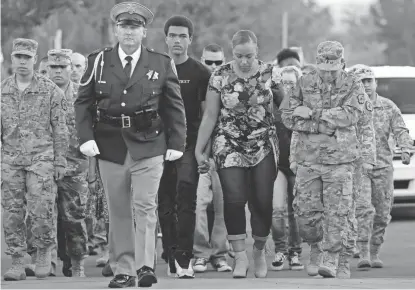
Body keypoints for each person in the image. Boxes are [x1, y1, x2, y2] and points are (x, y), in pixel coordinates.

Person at [74, 2, 186, 288]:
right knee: (119, 209)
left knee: (146, 205)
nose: (129, 32)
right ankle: (124, 269)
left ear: (144, 32)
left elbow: (174, 106)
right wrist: (85, 137)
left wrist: (177, 142)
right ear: (116, 29)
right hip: (110, 144)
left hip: (149, 143)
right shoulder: (98, 60)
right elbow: (84, 102)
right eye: (123, 26)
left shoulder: (160, 62)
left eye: (134, 27)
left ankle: (145, 266)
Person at [195, 30, 280, 279]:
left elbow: (286, 107)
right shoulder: (220, 76)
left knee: (263, 201)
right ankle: (240, 256)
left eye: (249, 56)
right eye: (239, 56)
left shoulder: (269, 73)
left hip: (263, 142)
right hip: (228, 142)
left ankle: (259, 250)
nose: (244, 61)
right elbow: (210, 115)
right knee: (234, 199)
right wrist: (200, 149)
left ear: (257, 51)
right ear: (232, 52)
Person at [281, 40, 367, 278]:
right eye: (324, 69)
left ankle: (333, 257)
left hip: (341, 160)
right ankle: (316, 246)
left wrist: (312, 114)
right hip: (308, 159)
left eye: (333, 70)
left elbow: (350, 116)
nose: (328, 75)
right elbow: (287, 115)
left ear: (342, 64)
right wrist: (322, 124)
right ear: (317, 64)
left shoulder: (353, 85)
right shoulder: (304, 81)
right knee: (305, 214)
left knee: (337, 212)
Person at [1, 38, 69, 281]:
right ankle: (17, 261)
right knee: (12, 213)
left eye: (27, 58)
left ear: (34, 59)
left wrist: (60, 161)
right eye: (18, 56)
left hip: (41, 159)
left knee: (41, 207)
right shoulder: (3, 90)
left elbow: (60, 129)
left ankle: (42, 253)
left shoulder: (50, 90)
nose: (22, 62)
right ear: (12, 58)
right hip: (10, 160)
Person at [157, 15, 211, 279]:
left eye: (182, 36)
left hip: (189, 144)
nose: (177, 40)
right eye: (172, 36)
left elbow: (207, 117)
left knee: (186, 196)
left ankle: (185, 257)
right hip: (158, 145)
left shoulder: (201, 73)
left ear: (190, 39)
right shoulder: (155, 68)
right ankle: (170, 253)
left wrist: (203, 150)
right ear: (165, 38)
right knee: (164, 201)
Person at [348, 64, 413, 269]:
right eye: (361, 81)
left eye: (369, 81)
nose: (366, 85)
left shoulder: (388, 106)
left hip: (384, 166)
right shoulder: (350, 107)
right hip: (360, 167)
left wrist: (405, 148)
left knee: (383, 212)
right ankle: (364, 251)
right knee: (364, 209)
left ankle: (375, 250)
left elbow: (401, 129)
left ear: (375, 83)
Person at [46, 48, 90, 277]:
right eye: (53, 67)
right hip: (44, 164)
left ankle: (77, 263)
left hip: (75, 165)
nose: (58, 72)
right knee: (43, 216)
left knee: (74, 218)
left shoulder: (83, 96)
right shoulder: (40, 95)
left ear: (70, 69)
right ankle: (47, 262)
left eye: (62, 67)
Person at [192, 43, 232, 273]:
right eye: (209, 62)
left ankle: (219, 255)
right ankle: (200, 254)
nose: (214, 67)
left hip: (224, 153)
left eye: (219, 62)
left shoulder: (230, 85)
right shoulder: (197, 83)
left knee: (221, 206)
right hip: (199, 153)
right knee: (198, 204)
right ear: (202, 60)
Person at [270, 48, 304, 272]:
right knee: (277, 209)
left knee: (296, 211)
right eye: (285, 83)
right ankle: (280, 250)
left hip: (299, 164)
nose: (288, 87)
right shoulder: (271, 107)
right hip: (277, 165)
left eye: (293, 83)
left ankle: (295, 253)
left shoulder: (305, 108)